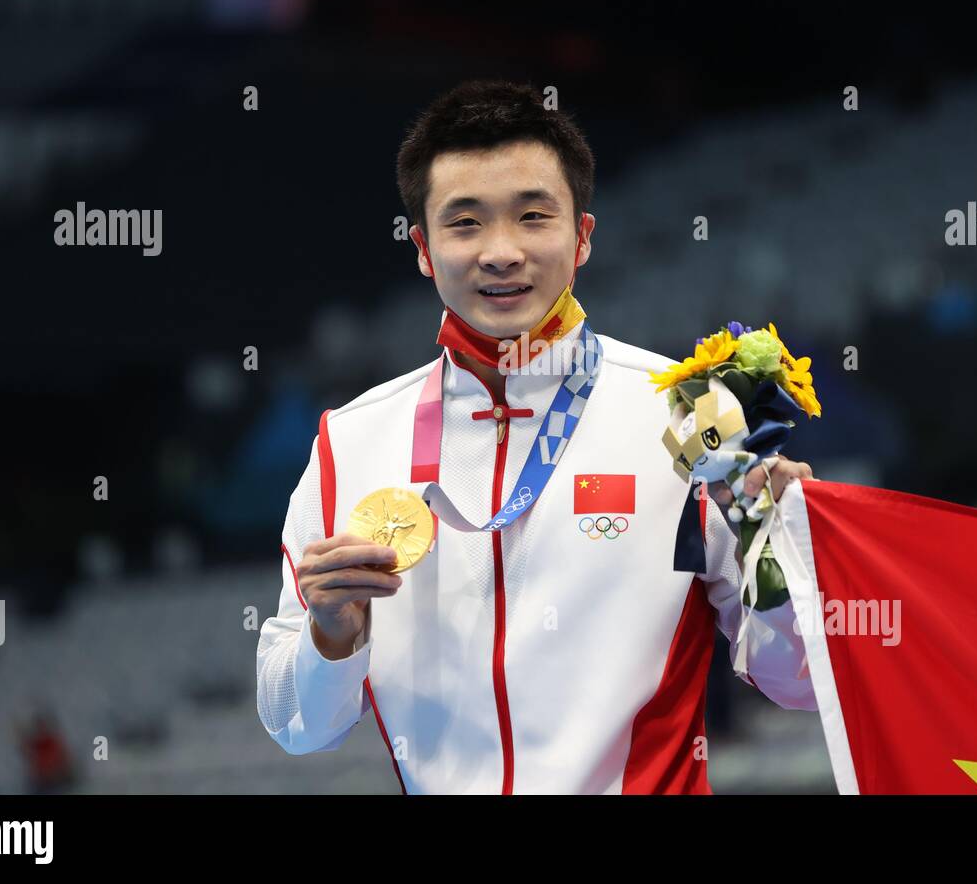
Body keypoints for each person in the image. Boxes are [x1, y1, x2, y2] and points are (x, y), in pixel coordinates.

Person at [256, 80, 817, 794]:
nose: (501, 252)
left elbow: (796, 683)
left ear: (581, 236)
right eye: (465, 224)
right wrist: (330, 633)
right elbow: (295, 725)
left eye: (532, 216)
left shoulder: (697, 409)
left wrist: (780, 554)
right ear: (423, 249)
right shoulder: (351, 441)